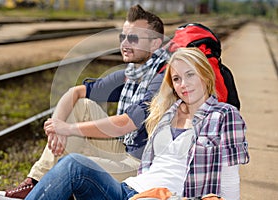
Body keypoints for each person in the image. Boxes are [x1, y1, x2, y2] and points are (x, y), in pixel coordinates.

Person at [24, 47, 250, 200]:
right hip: (128, 191)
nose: (184, 85)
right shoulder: (166, 112)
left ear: (206, 77)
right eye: (177, 79)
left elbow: (230, 178)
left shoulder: (223, 115)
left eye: (190, 75)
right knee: (74, 164)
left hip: (164, 196)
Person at [0, 4, 167, 200]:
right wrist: (57, 126)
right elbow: (74, 93)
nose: (125, 43)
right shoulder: (133, 72)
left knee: (74, 165)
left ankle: (49, 188)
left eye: (133, 38)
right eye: (123, 37)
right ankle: (35, 181)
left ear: (154, 44)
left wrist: (69, 128)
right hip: (122, 149)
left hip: (140, 165)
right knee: (81, 105)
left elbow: (125, 124)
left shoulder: (164, 78)